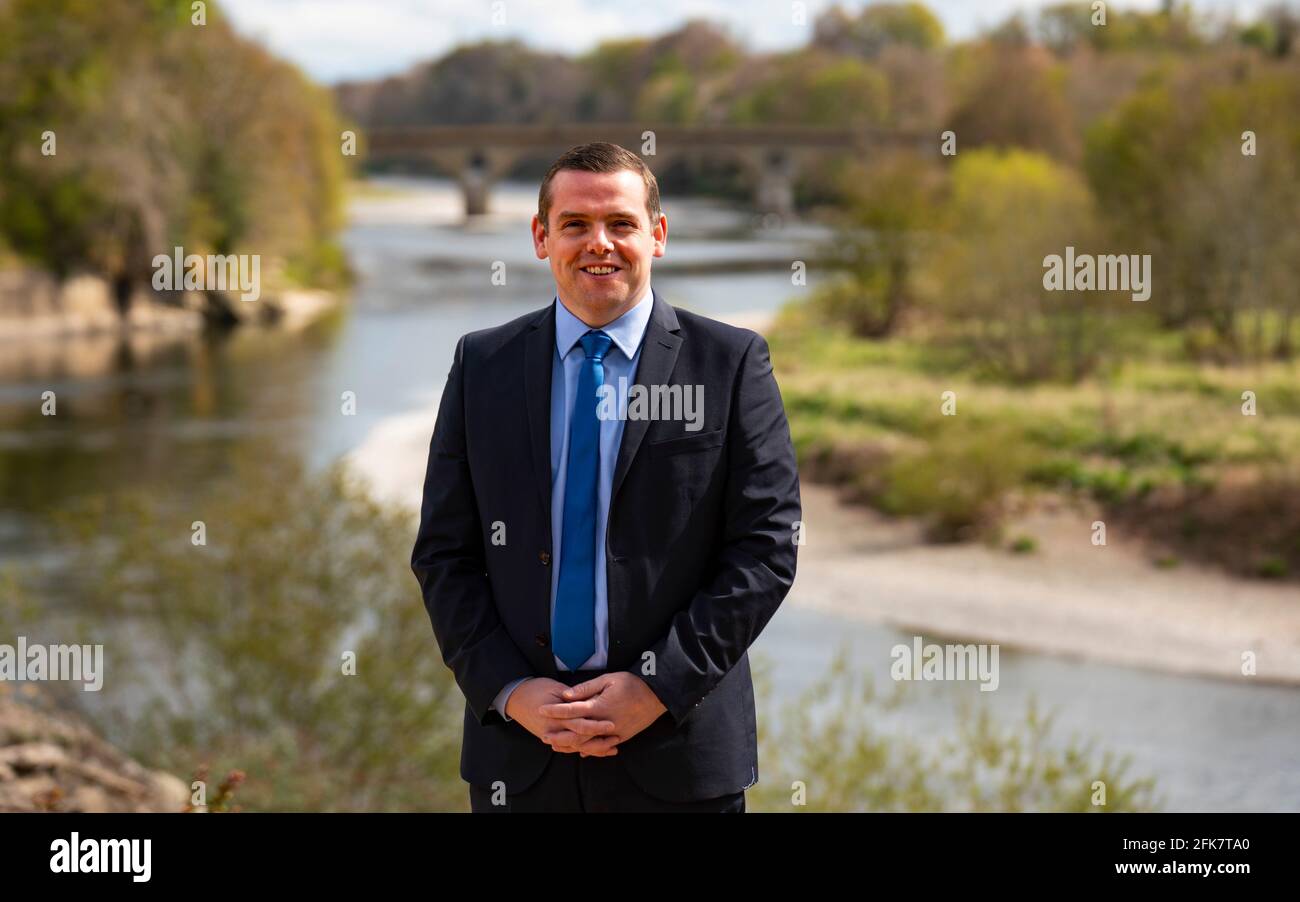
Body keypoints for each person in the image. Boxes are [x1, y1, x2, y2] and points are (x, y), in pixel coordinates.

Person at [410, 141, 801, 812]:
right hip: (521, 759)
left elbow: (765, 551)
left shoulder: (730, 364)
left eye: (620, 223)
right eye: (575, 225)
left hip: (681, 758)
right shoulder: (482, 366)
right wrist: (509, 691)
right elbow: (445, 554)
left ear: (658, 234)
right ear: (541, 237)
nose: (601, 244)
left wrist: (658, 687)